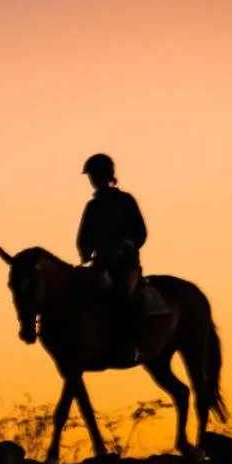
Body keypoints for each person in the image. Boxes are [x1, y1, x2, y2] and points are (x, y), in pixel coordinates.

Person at [75, 152, 159, 362]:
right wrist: (85, 251)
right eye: (91, 177)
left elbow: (140, 232)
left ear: (107, 176)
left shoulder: (125, 201)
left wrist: (126, 246)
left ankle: (134, 345)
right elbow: (83, 236)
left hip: (125, 265)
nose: (93, 180)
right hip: (100, 264)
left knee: (122, 296)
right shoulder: (92, 207)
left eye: (96, 175)